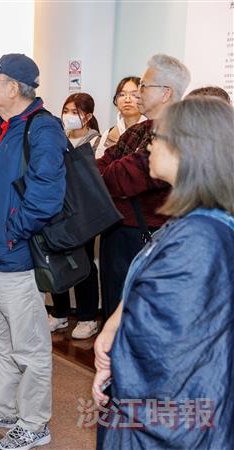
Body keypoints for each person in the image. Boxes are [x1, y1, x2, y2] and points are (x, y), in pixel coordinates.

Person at [92, 97, 234, 449]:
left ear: (188, 149)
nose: (149, 145)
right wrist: (113, 328)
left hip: (171, 421)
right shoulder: (194, 225)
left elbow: (161, 348)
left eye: (160, 136)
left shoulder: (199, 240)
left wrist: (116, 362)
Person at [0, 54, 66, 450]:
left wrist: (11, 235)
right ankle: (5, 408)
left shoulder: (41, 130)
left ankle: (36, 422)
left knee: (30, 347)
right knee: (0, 340)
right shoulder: (6, 127)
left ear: (13, 87)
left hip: (14, 255)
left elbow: (46, 196)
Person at [96, 54, 190, 320]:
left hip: (150, 238)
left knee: (139, 316)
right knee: (114, 307)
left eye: (144, 86)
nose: (137, 93)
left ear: (166, 93)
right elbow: (100, 168)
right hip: (117, 231)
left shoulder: (178, 134)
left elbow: (121, 178)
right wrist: (115, 170)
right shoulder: (137, 131)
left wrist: (115, 170)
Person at [48, 93, 102, 340]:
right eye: (66, 110)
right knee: (56, 259)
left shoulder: (97, 142)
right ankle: (59, 313)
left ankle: (87, 317)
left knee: (83, 262)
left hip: (83, 212)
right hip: (58, 208)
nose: (69, 115)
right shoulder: (59, 138)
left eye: (76, 111)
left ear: (88, 116)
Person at [96, 76, 146, 155]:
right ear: (116, 100)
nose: (127, 100)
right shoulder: (108, 134)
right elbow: (99, 164)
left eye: (134, 95)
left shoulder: (151, 132)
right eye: (122, 95)